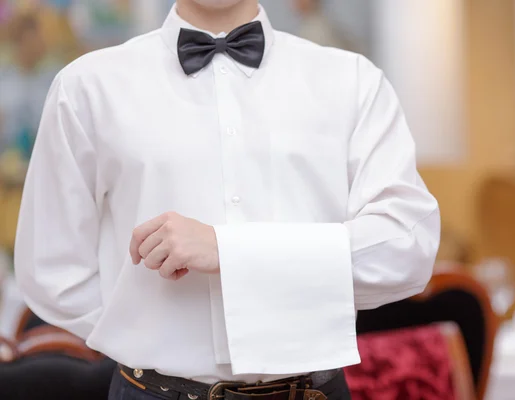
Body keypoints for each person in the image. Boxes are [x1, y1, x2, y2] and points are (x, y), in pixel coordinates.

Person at [14, 0, 440, 399]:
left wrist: (227, 251)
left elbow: (406, 249)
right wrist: (147, 328)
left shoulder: (353, 81)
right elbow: (51, 267)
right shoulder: (86, 86)